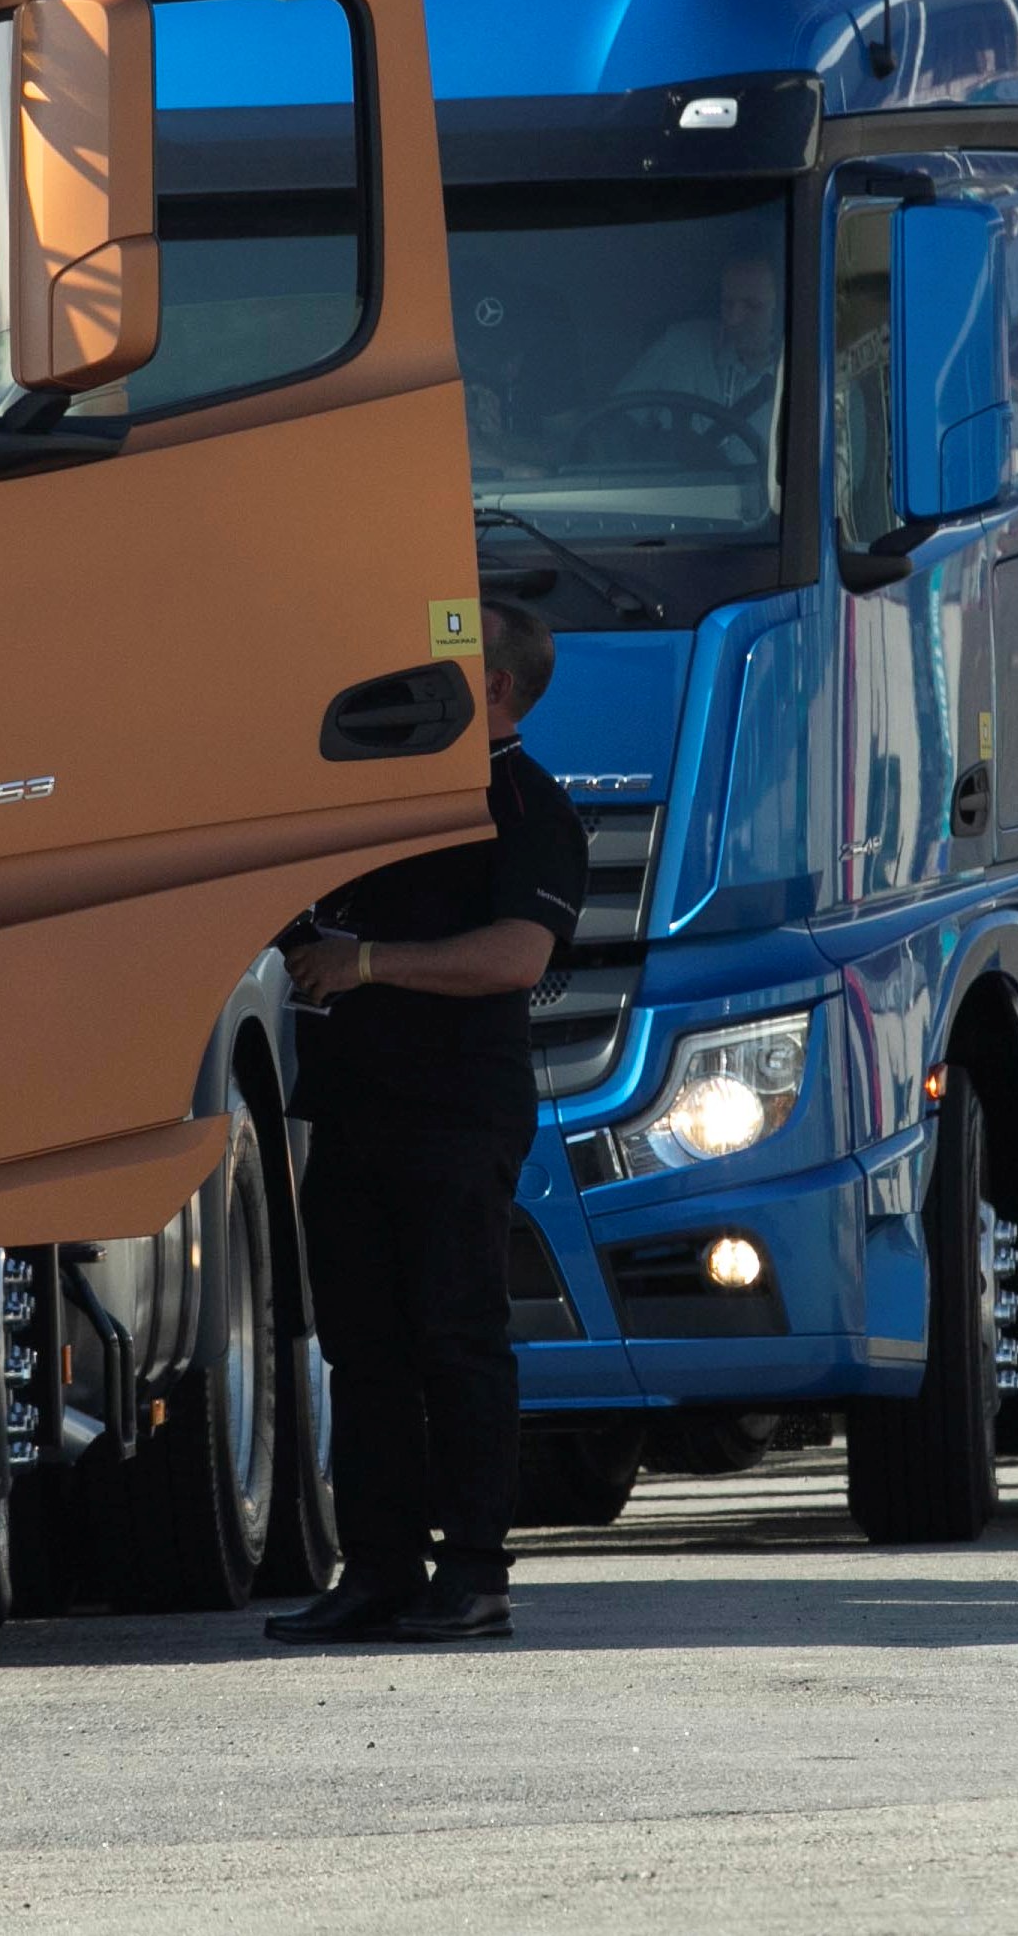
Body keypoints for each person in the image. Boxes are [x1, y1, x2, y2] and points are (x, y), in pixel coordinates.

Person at [264, 599, 587, 1648]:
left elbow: (515, 955)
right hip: (352, 1107)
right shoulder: (386, 797)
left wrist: (368, 964)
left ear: (495, 687)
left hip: (456, 1116)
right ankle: (380, 1569)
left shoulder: (528, 807)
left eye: (447, 655)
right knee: (362, 1351)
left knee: (457, 1342)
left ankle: (477, 1573)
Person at [615, 248, 785, 435]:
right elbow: (614, 423)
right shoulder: (681, 345)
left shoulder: (809, 382)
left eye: (753, 306)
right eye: (728, 304)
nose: (733, 319)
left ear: (782, 310)